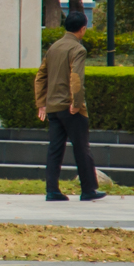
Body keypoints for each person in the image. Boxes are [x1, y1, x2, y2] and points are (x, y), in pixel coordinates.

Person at [35, 11, 108, 203]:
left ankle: (52, 191)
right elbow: (76, 79)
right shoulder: (78, 50)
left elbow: (40, 76)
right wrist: (76, 104)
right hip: (70, 108)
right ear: (83, 29)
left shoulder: (54, 48)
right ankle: (89, 189)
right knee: (82, 148)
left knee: (55, 149)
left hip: (53, 108)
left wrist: (41, 103)